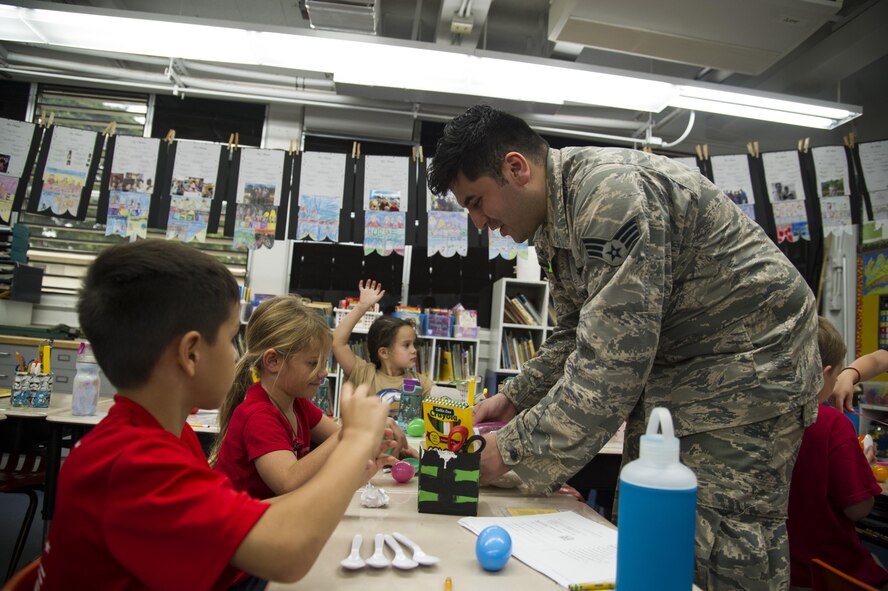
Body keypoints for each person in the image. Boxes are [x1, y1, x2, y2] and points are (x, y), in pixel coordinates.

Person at [427, 104, 822, 589]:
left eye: (476, 201)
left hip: (751, 364)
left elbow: (611, 370)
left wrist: (504, 450)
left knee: (712, 535)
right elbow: (578, 332)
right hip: (683, 364)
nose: (479, 224)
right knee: (646, 512)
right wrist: (513, 397)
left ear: (515, 168)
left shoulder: (610, 196)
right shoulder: (555, 217)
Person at [37, 240, 390, 590]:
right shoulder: (135, 463)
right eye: (230, 339)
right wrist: (354, 439)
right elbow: (288, 553)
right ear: (191, 353)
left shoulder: (166, 437)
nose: (238, 356)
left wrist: (347, 476)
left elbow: (255, 514)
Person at [211, 295, 400, 499]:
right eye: (312, 363)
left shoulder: (297, 404)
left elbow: (344, 440)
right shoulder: (257, 415)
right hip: (233, 527)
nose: (323, 372)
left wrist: (378, 437)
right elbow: (287, 481)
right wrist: (352, 429)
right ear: (273, 361)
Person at [787, 318, 888, 590]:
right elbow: (859, 508)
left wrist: (848, 373)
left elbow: (881, 358)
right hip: (826, 575)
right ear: (825, 372)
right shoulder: (831, 424)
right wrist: (862, 469)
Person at [332, 280, 434, 408]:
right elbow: (337, 343)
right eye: (406, 345)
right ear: (384, 352)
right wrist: (362, 306)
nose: (414, 350)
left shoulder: (421, 383)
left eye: (414, 344)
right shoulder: (363, 374)